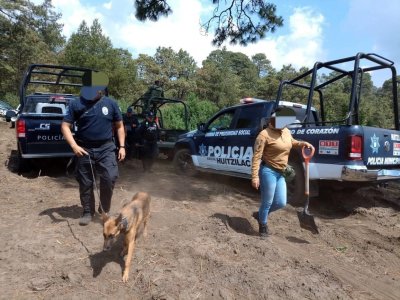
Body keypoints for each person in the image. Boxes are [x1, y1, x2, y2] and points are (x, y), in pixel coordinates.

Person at [61, 70, 126, 226]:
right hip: (84, 148)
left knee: (110, 178)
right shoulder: (76, 103)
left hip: (106, 148)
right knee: (85, 182)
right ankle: (87, 212)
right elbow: (65, 126)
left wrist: (122, 146)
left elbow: (119, 126)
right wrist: (74, 145)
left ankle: (104, 209)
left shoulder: (111, 103)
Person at [251, 110, 314, 238]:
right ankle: (263, 225)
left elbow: (292, 142)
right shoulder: (264, 135)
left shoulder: (286, 131)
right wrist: (255, 176)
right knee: (267, 202)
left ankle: (260, 214)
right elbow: (256, 157)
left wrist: (302, 143)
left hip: (281, 172)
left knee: (281, 202)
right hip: (268, 171)